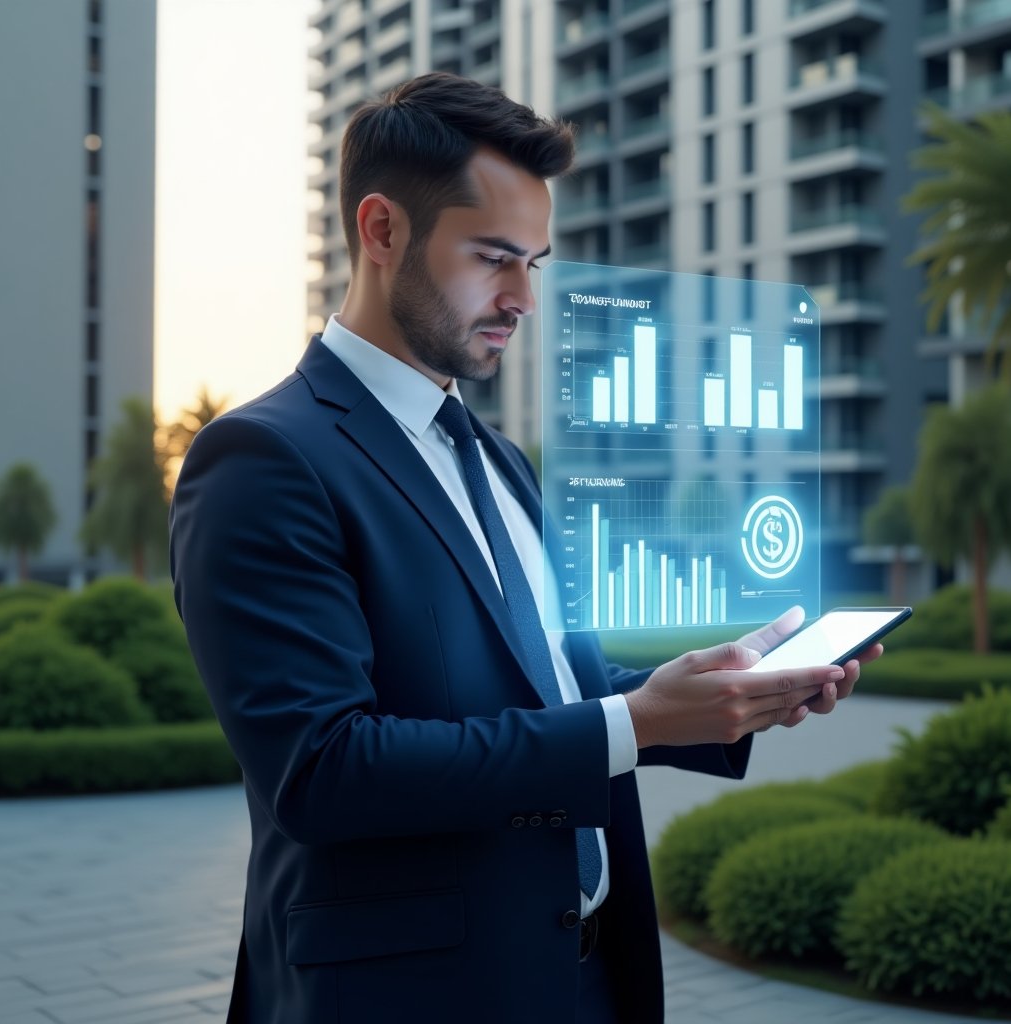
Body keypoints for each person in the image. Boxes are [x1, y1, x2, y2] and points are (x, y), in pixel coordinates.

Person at [170, 72, 877, 1024]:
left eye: (536, 263)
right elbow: (323, 769)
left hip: (582, 976)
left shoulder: (499, 459)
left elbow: (540, 678)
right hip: (407, 996)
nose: (523, 299)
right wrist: (637, 724)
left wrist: (723, 694)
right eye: (495, 258)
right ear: (381, 232)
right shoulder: (263, 457)